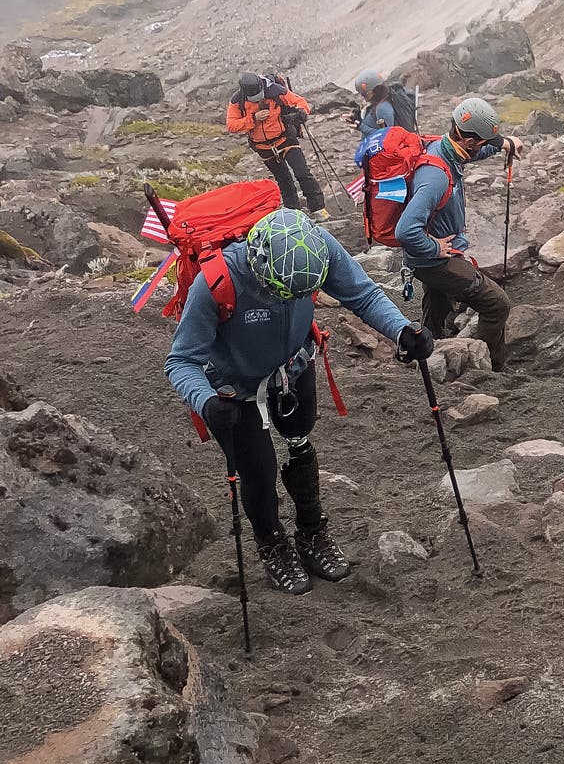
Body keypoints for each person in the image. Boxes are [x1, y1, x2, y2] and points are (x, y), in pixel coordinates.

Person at [165, 208, 433, 594]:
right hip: (233, 391)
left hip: (294, 367)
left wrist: (402, 331)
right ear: (260, 269)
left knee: (299, 441)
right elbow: (181, 360)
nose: (290, 298)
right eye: (281, 292)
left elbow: (362, 294)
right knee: (258, 471)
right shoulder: (214, 284)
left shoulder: (319, 247)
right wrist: (206, 402)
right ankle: (272, 543)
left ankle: (311, 530)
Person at [394, 97, 522, 369]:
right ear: (469, 141)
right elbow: (405, 230)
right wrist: (433, 248)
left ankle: (427, 352)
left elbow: (480, 151)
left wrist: (505, 143)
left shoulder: (443, 147)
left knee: (437, 305)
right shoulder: (436, 177)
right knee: (497, 304)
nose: (485, 147)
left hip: (429, 258)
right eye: (483, 142)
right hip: (434, 260)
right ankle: (487, 367)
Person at [226, 71, 327, 218]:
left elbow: (300, 102)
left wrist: (301, 113)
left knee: (302, 173)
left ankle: (318, 209)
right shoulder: (237, 101)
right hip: (263, 147)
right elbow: (231, 125)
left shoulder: (275, 90)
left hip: (285, 138)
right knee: (284, 180)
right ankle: (293, 214)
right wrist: (253, 119)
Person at [347, 69, 418, 138]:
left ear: (374, 90)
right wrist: (356, 118)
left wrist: (360, 127)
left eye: (365, 94)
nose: (364, 98)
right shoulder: (380, 100)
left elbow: (387, 136)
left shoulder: (383, 108)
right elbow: (373, 122)